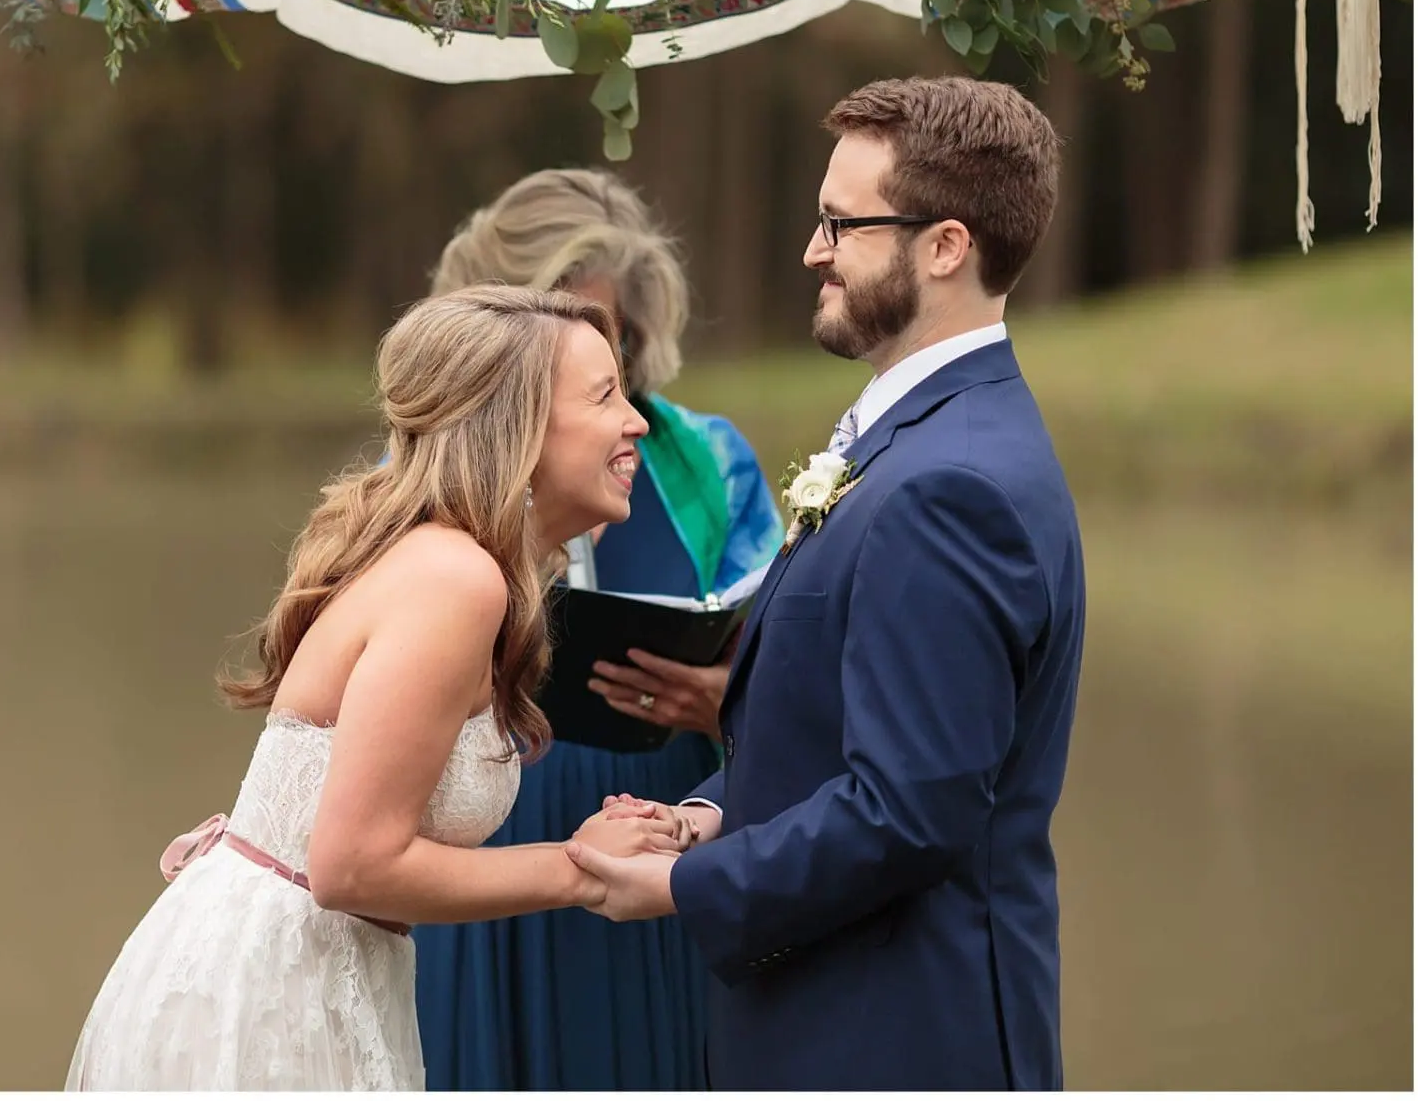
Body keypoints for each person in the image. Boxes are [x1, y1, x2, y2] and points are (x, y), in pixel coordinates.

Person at [569, 77, 1087, 1090]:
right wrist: (710, 811)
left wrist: (683, 882)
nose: (812, 250)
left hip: (893, 1034)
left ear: (944, 246)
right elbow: (847, 735)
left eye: (841, 225)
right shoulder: (925, 435)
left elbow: (909, 810)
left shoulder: (950, 483)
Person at [65, 285, 689, 1091]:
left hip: (330, 971)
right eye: (607, 397)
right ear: (521, 427)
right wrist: (580, 868)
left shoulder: (455, 566)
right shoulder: (455, 578)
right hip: (273, 995)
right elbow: (352, 865)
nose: (637, 422)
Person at [414, 170, 785, 1091]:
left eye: (603, 335)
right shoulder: (427, 458)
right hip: (487, 831)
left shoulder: (706, 459)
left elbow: (786, 664)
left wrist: (725, 706)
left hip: (657, 814)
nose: (581, 360)